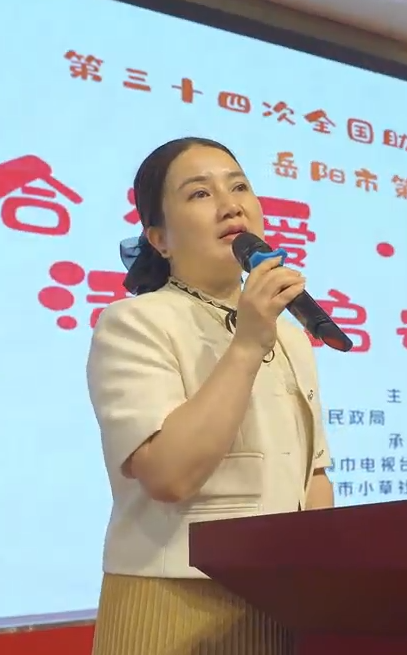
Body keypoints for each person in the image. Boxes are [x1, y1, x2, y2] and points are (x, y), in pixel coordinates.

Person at [85, 137, 334, 655]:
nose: (230, 205)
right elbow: (169, 475)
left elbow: (313, 475)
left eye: (239, 186)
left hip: (281, 600)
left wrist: (316, 587)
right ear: (160, 239)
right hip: (173, 602)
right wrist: (247, 343)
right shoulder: (135, 322)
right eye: (200, 194)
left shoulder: (290, 335)